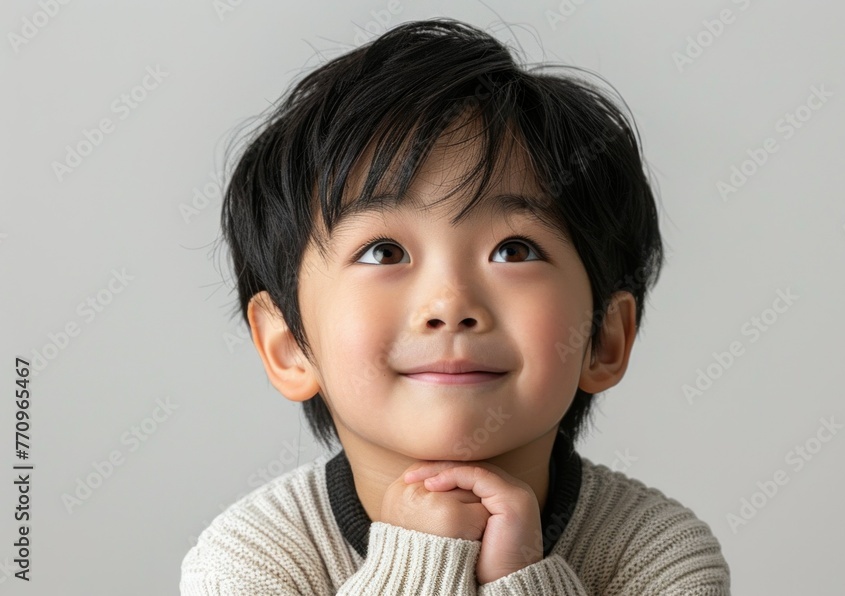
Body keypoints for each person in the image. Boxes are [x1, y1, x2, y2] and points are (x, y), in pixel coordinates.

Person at [180, 17, 731, 595]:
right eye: (383, 251)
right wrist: (418, 562)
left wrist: (523, 580)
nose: (450, 305)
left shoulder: (657, 554)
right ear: (289, 345)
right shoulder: (251, 558)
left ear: (604, 339)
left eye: (514, 250)